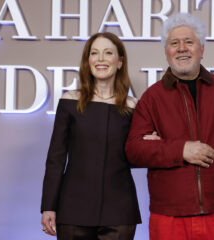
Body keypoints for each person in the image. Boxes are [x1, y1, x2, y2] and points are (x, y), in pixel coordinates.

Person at [125, 13, 214, 240]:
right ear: (166, 51)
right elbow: (134, 150)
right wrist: (180, 150)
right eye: (174, 43)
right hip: (169, 216)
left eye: (189, 41)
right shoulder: (152, 98)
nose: (182, 48)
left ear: (202, 49)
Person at [41, 32, 141, 240]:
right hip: (73, 208)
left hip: (120, 210)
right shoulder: (70, 101)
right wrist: (48, 206)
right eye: (94, 53)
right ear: (88, 61)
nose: (101, 59)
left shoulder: (134, 106)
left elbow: (138, 154)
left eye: (108, 53)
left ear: (120, 61)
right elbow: (56, 159)